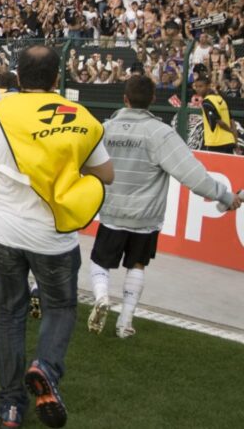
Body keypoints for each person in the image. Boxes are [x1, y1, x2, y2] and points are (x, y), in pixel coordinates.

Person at [0, 46, 114, 429]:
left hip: (3, 231)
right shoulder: (82, 117)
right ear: (57, 78)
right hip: (55, 235)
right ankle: (46, 368)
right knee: (60, 307)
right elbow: (106, 175)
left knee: (9, 313)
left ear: (18, 77)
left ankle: (11, 406)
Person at [88, 76, 241, 339]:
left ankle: (101, 297)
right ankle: (125, 322)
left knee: (100, 262)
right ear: (153, 101)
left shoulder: (106, 129)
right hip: (145, 217)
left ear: (124, 98)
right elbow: (193, 175)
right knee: (137, 264)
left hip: (112, 211)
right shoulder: (160, 133)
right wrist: (226, 197)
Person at [193, 75, 239, 153]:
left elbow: (219, 122)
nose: (198, 89)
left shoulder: (207, 102)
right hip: (229, 141)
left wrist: (230, 131)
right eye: (196, 87)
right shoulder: (221, 99)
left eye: (201, 86)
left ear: (208, 86)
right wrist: (235, 139)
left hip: (216, 143)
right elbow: (232, 121)